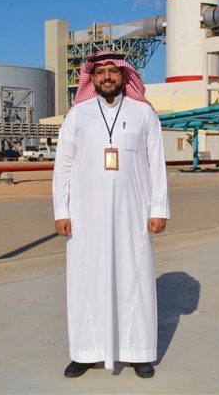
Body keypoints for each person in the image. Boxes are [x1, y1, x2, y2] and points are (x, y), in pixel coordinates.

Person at [52, 50, 170, 379]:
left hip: (133, 214)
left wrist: (159, 209)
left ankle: (138, 352)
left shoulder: (144, 114)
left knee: (135, 278)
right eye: (100, 71)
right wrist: (61, 210)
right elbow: (63, 166)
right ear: (91, 77)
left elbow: (156, 165)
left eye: (113, 71)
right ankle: (85, 352)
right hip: (84, 215)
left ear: (124, 75)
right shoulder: (78, 115)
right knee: (85, 279)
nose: (106, 76)